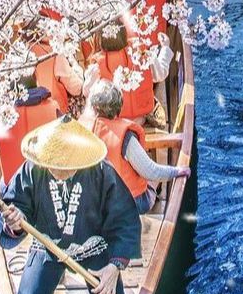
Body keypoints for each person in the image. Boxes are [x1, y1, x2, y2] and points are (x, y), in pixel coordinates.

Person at [0, 116, 141, 294]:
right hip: (49, 246)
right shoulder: (33, 168)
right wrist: (16, 221)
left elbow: (125, 220)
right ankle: (52, 273)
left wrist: (115, 266)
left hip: (93, 246)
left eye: (63, 166)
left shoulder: (101, 171)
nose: (56, 171)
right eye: (52, 165)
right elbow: (16, 204)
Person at [80, 80, 190, 213]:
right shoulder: (125, 136)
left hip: (95, 204)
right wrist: (177, 171)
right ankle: (159, 197)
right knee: (153, 180)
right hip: (127, 205)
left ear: (93, 106)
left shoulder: (81, 128)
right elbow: (151, 171)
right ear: (119, 107)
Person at [0, 74, 61, 186]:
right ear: (35, 86)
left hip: (14, 187)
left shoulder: (0, 115)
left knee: (2, 183)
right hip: (48, 186)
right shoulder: (53, 107)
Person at [86, 21, 159, 124]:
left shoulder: (97, 66)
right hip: (140, 119)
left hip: (113, 122)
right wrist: (166, 48)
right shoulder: (139, 51)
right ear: (124, 33)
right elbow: (159, 76)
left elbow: (86, 92)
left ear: (99, 39)